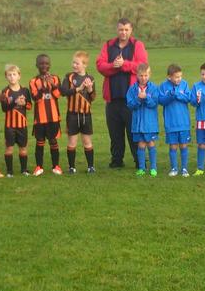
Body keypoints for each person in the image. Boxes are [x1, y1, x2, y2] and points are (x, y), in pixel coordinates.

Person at [96, 18, 148, 169]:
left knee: (134, 132)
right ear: (116, 30)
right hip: (112, 98)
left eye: (126, 29)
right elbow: (100, 65)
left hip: (131, 99)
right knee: (115, 133)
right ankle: (117, 160)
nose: (123, 32)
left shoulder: (137, 45)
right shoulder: (108, 45)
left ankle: (140, 161)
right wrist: (114, 65)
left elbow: (142, 66)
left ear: (131, 30)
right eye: (120, 29)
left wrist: (124, 64)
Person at [59, 51, 96, 174]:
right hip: (72, 115)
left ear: (84, 64)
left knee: (87, 141)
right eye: (73, 62)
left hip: (86, 115)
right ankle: (71, 167)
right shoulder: (69, 76)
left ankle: (91, 166)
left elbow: (93, 97)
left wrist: (90, 89)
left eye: (77, 63)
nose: (74, 65)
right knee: (72, 142)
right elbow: (63, 91)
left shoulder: (90, 78)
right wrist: (78, 89)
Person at [28, 54, 63, 176]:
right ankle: (39, 166)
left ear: (50, 65)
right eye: (41, 63)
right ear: (37, 65)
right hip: (40, 118)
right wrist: (43, 87)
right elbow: (35, 98)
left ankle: (56, 166)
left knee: (53, 141)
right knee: (40, 142)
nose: (44, 65)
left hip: (53, 117)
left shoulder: (55, 78)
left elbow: (58, 95)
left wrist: (52, 85)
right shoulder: (33, 81)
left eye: (46, 63)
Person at [158, 64, 192, 177]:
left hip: (183, 123)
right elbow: (161, 101)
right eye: (176, 77)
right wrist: (171, 96)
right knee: (173, 146)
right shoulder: (163, 86)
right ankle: (174, 168)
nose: (179, 79)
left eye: (180, 76)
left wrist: (178, 95)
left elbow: (189, 98)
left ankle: (184, 169)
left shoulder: (185, 84)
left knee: (183, 145)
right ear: (169, 77)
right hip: (171, 123)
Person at [126, 63, 159, 177]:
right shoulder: (132, 89)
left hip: (150, 123)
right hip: (138, 123)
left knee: (150, 143)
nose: (143, 78)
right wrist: (138, 99)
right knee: (140, 144)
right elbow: (130, 105)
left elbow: (154, 103)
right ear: (137, 75)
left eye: (145, 75)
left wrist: (146, 98)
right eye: (141, 75)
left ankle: (153, 167)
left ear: (149, 75)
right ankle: (142, 168)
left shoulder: (154, 88)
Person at [0, 64, 32, 177]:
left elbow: (29, 106)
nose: (12, 77)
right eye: (9, 75)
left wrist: (24, 104)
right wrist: (15, 103)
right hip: (10, 125)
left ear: (19, 76)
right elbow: (4, 109)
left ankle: (24, 169)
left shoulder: (25, 90)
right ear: (6, 77)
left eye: (14, 74)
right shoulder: (5, 91)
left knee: (23, 148)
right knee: (9, 148)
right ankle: (9, 172)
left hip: (22, 125)